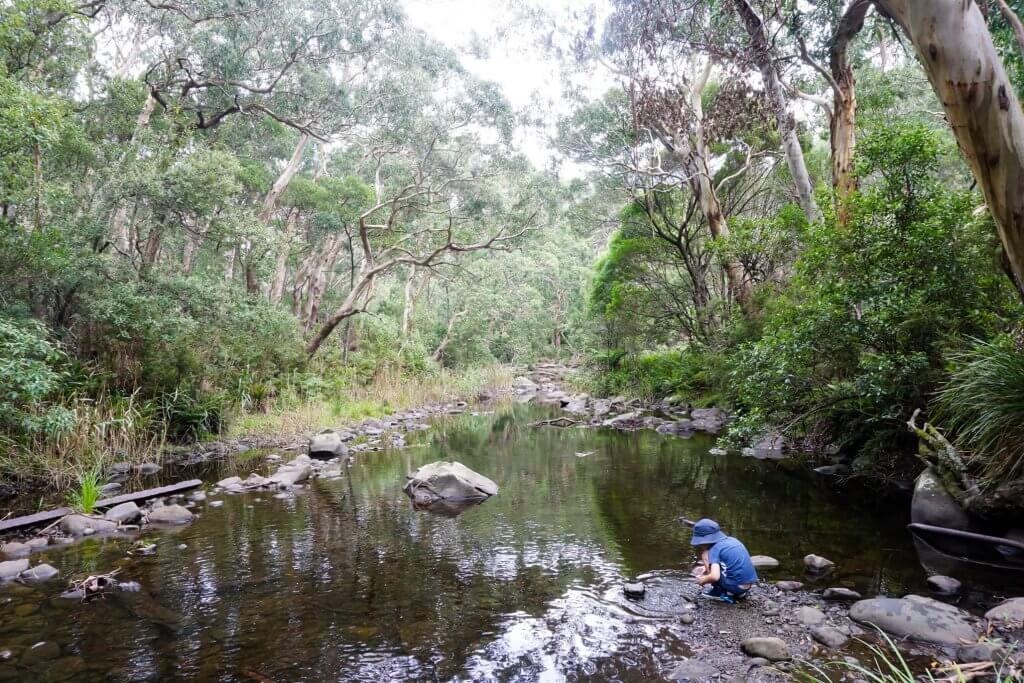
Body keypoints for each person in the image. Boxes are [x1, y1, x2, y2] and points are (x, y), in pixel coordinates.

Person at [690, 518, 758, 604]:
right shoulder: (732, 540)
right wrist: (705, 566)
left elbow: (715, 576)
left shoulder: (714, 549)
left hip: (736, 587)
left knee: (705, 555)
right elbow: (729, 561)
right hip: (747, 585)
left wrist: (703, 579)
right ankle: (738, 593)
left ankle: (719, 592)